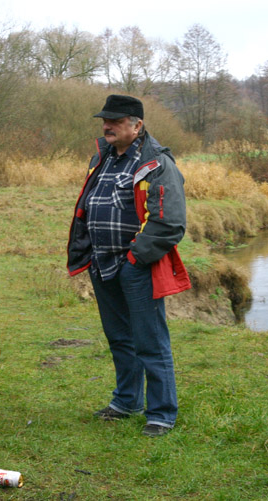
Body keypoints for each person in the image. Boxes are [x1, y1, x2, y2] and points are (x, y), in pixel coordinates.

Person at [66, 94, 191, 437]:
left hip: (136, 267)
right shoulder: (102, 158)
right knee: (120, 338)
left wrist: (135, 260)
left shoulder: (157, 163)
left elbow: (170, 223)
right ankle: (126, 401)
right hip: (101, 263)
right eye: (105, 120)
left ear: (137, 126)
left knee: (150, 342)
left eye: (116, 121)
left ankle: (161, 414)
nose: (107, 126)